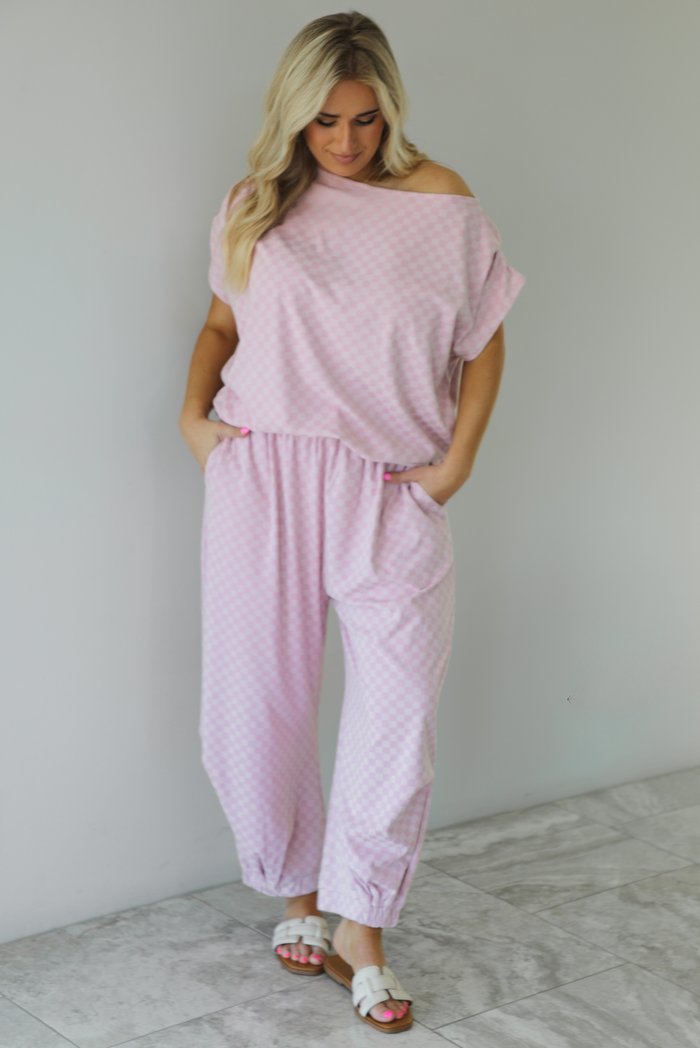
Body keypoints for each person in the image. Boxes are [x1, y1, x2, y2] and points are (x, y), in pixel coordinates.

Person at [179, 10, 524, 1034]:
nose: (343, 141)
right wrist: (193, 422)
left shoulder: (442, 204)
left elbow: (484, 338)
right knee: (254, 709)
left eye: (364, 121)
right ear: (293, 115)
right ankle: (298, 892)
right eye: (324, 120)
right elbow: (219, 324)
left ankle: (363, 926)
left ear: (391, 112)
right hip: (262, 474)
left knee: (396, 711)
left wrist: (454, 464)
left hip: (385, 484)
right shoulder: (253, 205)